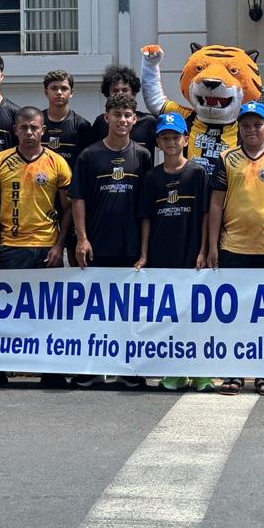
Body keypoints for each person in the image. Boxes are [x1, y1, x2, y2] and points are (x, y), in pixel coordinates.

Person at [207, 100, 264, 396]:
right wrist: (212, 246)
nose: (252, 130)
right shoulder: (226, 158)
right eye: (245, 125)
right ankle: (233, 372)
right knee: (234, 314)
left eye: (257, 124)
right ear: (239, 129)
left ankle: (263, 372)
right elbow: (216, 204)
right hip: (233, 248)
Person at [71, 93, 151, 388]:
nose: (122, 120)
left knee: (129, 312)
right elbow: (77, 199)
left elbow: (146, 207)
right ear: (107, 118)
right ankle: (92, 368)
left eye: (128, 115)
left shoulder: (142, 155)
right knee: (94, 311)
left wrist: (144, 250)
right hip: (97, 245)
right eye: (117, 114)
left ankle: (128, 369)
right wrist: (82, 239)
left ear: (135, 119)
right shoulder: (89, 155)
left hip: (129, 245)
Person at [135, 113, 212, 393]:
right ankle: (175, 372)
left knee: (196, 317)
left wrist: (204, 250)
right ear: (158, 141)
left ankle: (201, 373)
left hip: (190, 255)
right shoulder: (151, 177)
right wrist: (144, 254)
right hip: (161, 255)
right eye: (165, 137)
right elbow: (146, 218)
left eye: (175, 137)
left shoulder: (197, 173)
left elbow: (205, 215)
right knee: (169, 318)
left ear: (186, 140)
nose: (170, 142)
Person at [0, 106, 73, 270]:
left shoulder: (57, 162)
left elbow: (69, 208)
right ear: (15, 130)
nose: (29, 132)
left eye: (34, 127)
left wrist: (60, 245)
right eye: (24, 127)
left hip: (48, 247)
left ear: (43, 130)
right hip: (11, 246)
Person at [91, 64, 157, 155]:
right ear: (108, 94)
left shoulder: (148, 122)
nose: (120, 94)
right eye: (115, 91)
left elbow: (169, 144)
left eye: (125, 90)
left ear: (133, 93)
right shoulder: (101, 122)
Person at [42, 69, 95, 169]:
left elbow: (87, 163)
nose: (59, 92)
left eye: (64, 88)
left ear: (71, 92)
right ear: (46, 92)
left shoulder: (82, 125)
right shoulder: (36, 122)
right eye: (54, 88)